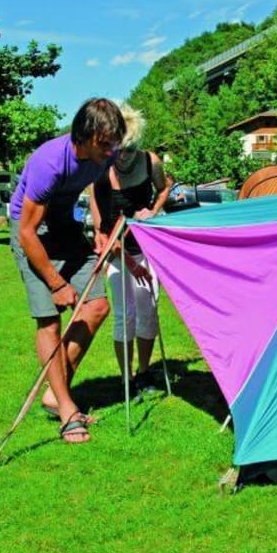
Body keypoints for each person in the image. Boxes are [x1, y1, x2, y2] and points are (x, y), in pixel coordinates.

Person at [9, 97, 125, 444]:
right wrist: (57, 283)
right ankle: (66, 409)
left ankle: (54, 393)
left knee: (97, 305)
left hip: (66, 227)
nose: (111, 150)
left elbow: (100, 186)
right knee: (50, 320)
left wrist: (103, 229)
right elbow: (27, 232)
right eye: (105, 144)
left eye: (114, 142)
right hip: (34, 232)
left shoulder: (105, 154)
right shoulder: (49, 162)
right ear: (84, 137)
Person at [90, 105, 170, 399]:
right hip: (116, 250)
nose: (123, 156)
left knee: (148, 310)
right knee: (126, 314)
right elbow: (104, 226)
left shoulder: (150, 161)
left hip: (147, 247)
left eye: (130, 150)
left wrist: (154, 210)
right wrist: (103, 237)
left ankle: (144, 372)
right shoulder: (101, 170)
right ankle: (126, 380)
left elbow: (164, 187)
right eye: (119, 150)